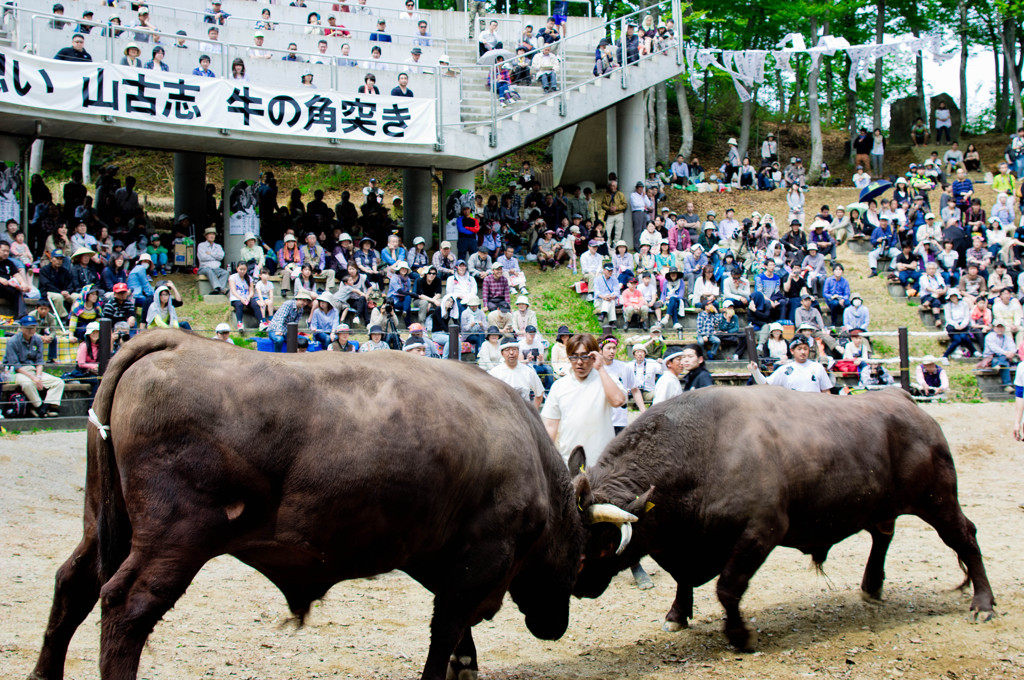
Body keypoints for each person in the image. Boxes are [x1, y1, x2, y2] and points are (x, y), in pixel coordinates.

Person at [541, 333, 626, 469]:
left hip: (602, 463)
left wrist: (601, 369)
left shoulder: (606, 379)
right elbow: (550, 425)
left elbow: (618, 401)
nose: (579, 362)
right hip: (569, 462)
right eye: (574, 356)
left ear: (594, 356)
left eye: (584, 356)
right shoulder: (559, 386)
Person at [4, 316, 64, 418]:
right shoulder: (13, 341)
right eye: (28, 328)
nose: (31, 330)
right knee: (27, 383)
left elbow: (39, 361)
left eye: (33, 327)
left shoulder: (37, 339)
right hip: (17, 372)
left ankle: (48, 407)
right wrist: (34, 378)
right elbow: (16, 365)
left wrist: (38, 377)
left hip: (34, 370)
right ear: (22, 328)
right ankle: (39, 406)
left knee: (58, 382)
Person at [750, 335, 833, 392]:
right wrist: (755, 372)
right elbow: (765, 384)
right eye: (799, 349)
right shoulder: (785, 369)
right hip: (793, 411)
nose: (803, 352)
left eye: (805, 349)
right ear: (792, 351)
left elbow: (826, 391)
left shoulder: (817, 367)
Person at [489, 335, 546, 408]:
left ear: (518, 352)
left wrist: (532, 413)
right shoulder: (494, 373)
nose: (511, 352)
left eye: (514, 349)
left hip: (523, 414)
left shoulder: (528, 372)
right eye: (507, 350)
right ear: (502, 353)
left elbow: (539, 393)